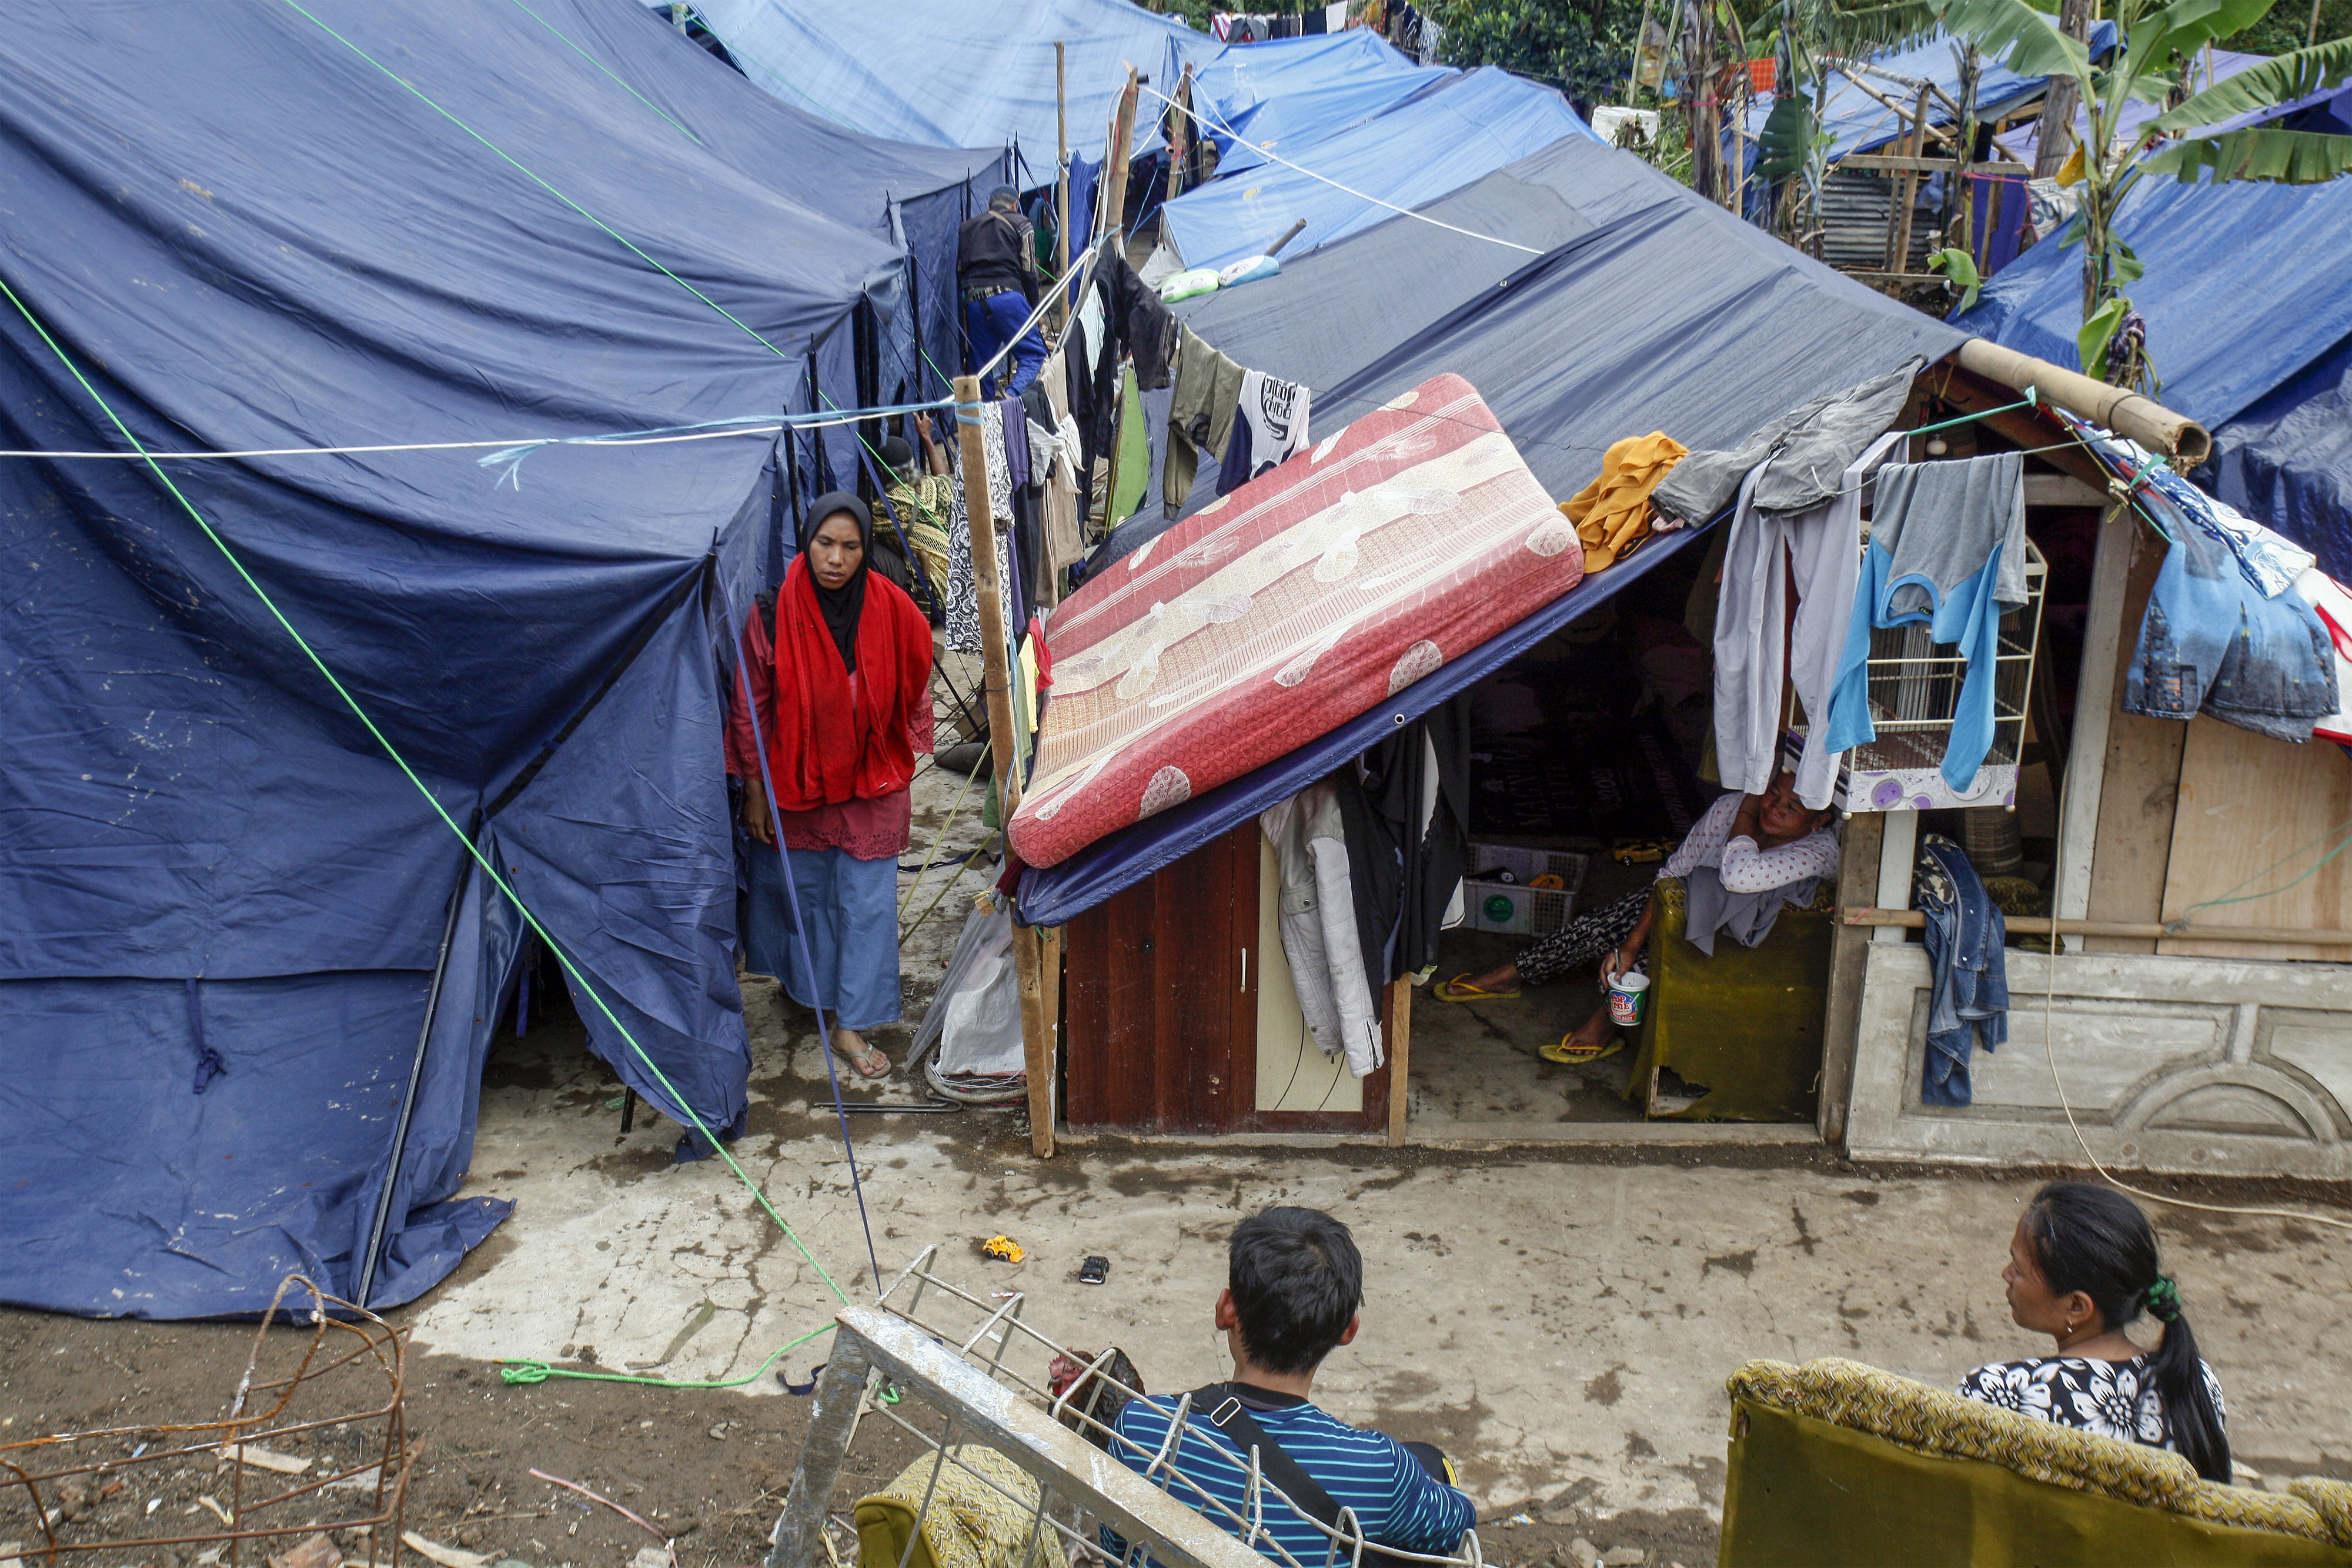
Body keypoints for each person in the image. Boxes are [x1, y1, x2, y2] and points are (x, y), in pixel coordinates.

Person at [1098, 1207, 1476, 1567]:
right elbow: (1458, 1527)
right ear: (1348, 1329)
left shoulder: (1141, 1426)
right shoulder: (1380, 1468)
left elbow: (1117, 1550)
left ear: (1226, 1309)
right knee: (1429, 1462)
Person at [726, 493, 933, 1079]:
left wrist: (879, 727)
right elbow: (751, 706)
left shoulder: (893, 609)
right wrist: (755, 788)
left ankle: (850, 1024)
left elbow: (917, 675)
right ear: (806, 541)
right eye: (825, 543)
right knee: (809, 896)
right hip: (797, 782)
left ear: (865, 550)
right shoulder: (771, 612)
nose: (835, 559)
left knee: (865, 905)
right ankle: (809, 991)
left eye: (849, 546)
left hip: (871, 782)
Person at [1436, 770, 1837, 1064]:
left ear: (1818, 820)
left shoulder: (1820, 850)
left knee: (1650, 960)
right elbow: (1671, 874)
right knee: (1607, 926)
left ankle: (1604, 1022)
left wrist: (1747, 817)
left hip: (1740, 938)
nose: (1776, 807)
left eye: (1794, 807)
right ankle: (1516, 972)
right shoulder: (1730, 807)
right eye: (1772, 793)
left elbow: (1738, 875)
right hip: (1687, 904)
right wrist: (1628, 945)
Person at [1956, 1182, 2231, 1482]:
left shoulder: (1997, 1392)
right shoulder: (2196, 1380)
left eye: (2019, 1269)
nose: (2006, 1274)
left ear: (2077, 1307)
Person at [958, 185, 1046, 397]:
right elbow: (1029, 271)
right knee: (1034, 354)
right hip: (1007, 298)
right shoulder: (1022, 224)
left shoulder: (967, 227)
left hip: (974, 302)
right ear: (1015, 205)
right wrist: (1035, 312)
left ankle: (988, 418)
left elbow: (960, 270)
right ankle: (1012, 395)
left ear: (989, 206)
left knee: (982, 369)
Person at [876, 413, 953, 613]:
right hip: (960, 591)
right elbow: (943, 475)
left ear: (881, 474)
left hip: (937, 600)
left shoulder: (885, 508)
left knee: (870, 550)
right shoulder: (936, 486)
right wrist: (927, 438)